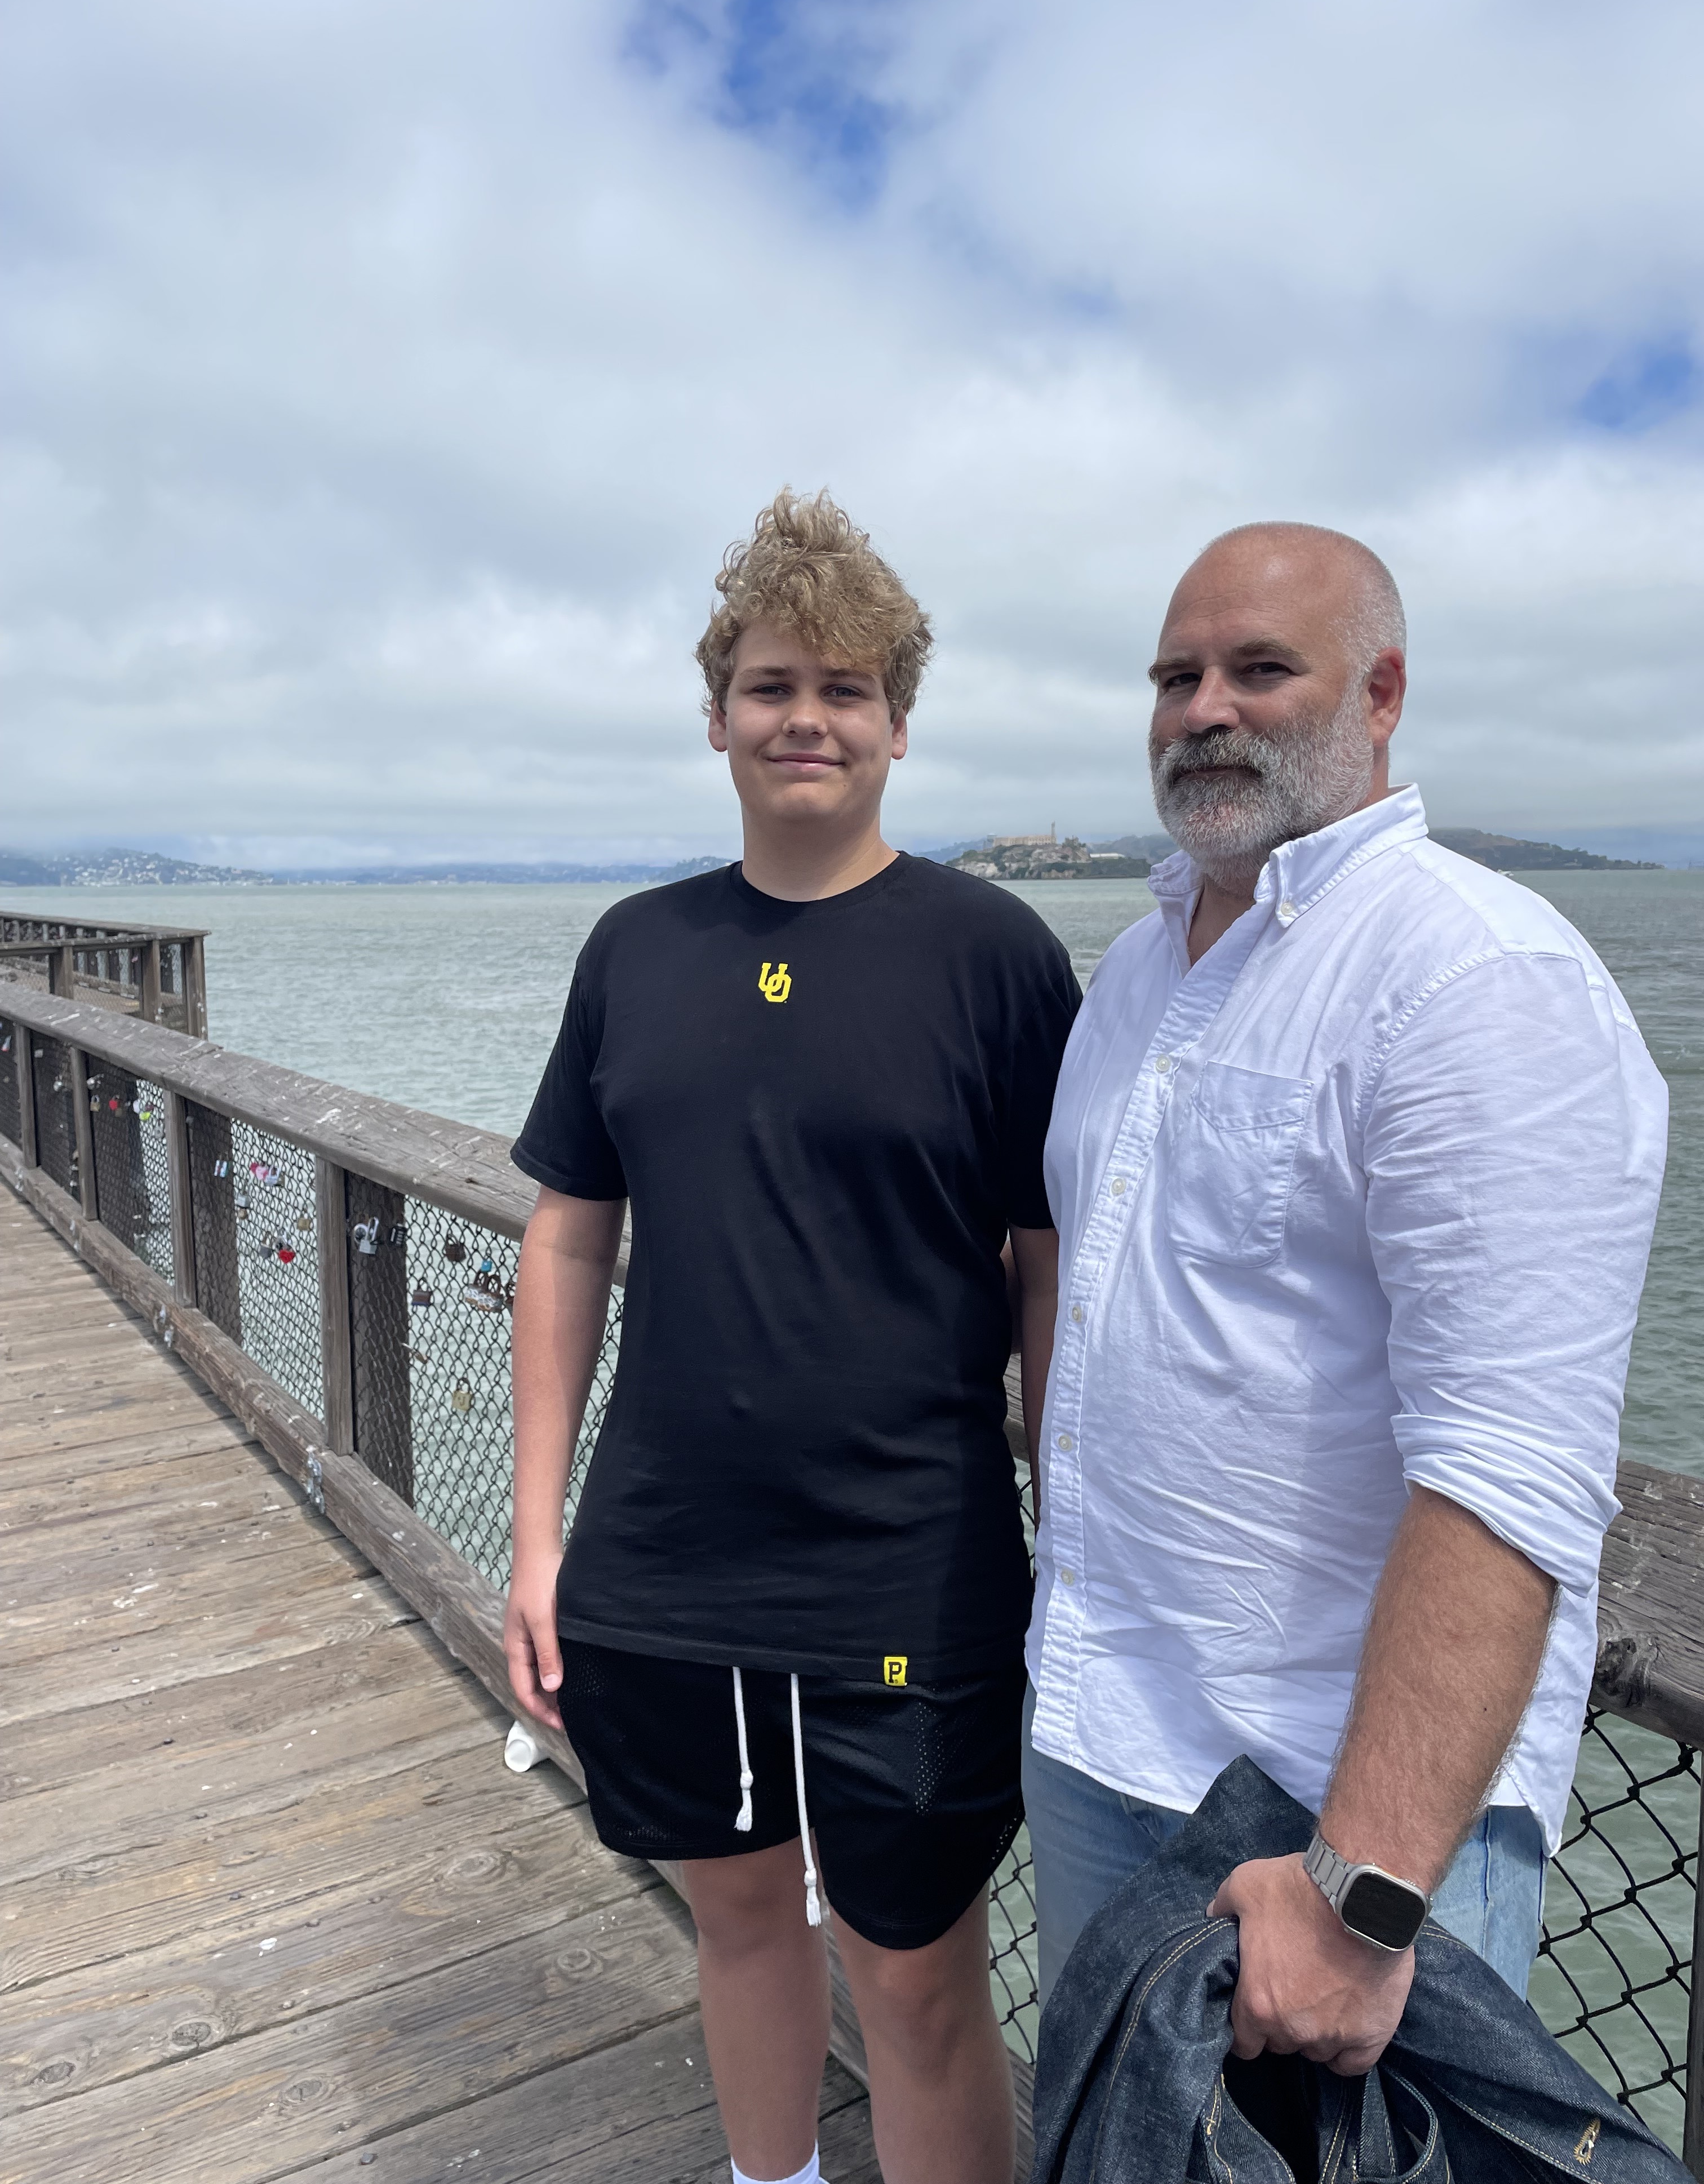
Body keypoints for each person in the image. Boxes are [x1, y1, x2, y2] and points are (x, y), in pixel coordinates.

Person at [1022, 521, 1667, 2076]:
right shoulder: (1131, 976)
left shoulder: (1475, 977)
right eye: (1176, 677)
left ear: (1382, 695)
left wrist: (1360, 1895)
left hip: (1327, 1808)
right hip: (1100, 1734)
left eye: (1259, 669)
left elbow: (1510, 1467)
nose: (1203, 709)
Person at [503, 489, 1080, 2184]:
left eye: (843, 687)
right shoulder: (637, 950)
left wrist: (1077, 1527)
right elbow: (567, 1236)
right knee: (739, 1922)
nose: (805, 718)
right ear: (716, 719)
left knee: (912, 1977)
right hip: (666, 1564)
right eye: (770, 686)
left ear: (899, 722)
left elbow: (1051, 1268)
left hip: (912, 1564)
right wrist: (535, 1544)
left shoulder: (995, 959)